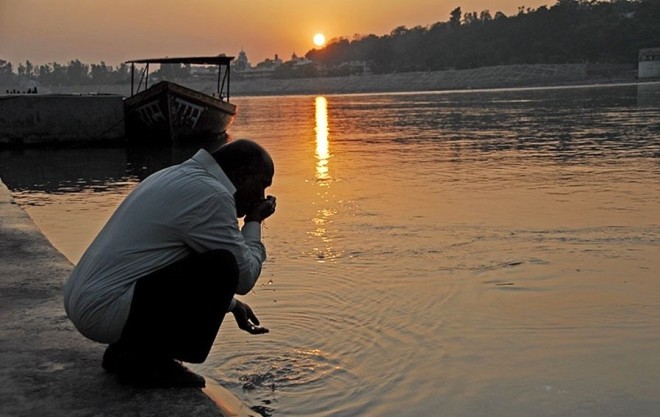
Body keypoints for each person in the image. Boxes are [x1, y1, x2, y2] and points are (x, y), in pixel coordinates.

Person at [64, 139, 277, 388]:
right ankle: (151, 360)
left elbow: (168, 259)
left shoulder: (174, 175)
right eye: (262, 185)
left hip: (89, 301)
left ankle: (127, 349)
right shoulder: (212, 195)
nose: (261, 196)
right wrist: (253, 220)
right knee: (222, 264)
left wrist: (230, 304)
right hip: (107, 310)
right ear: (242, 175)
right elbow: (244, 277)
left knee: (206, 256)